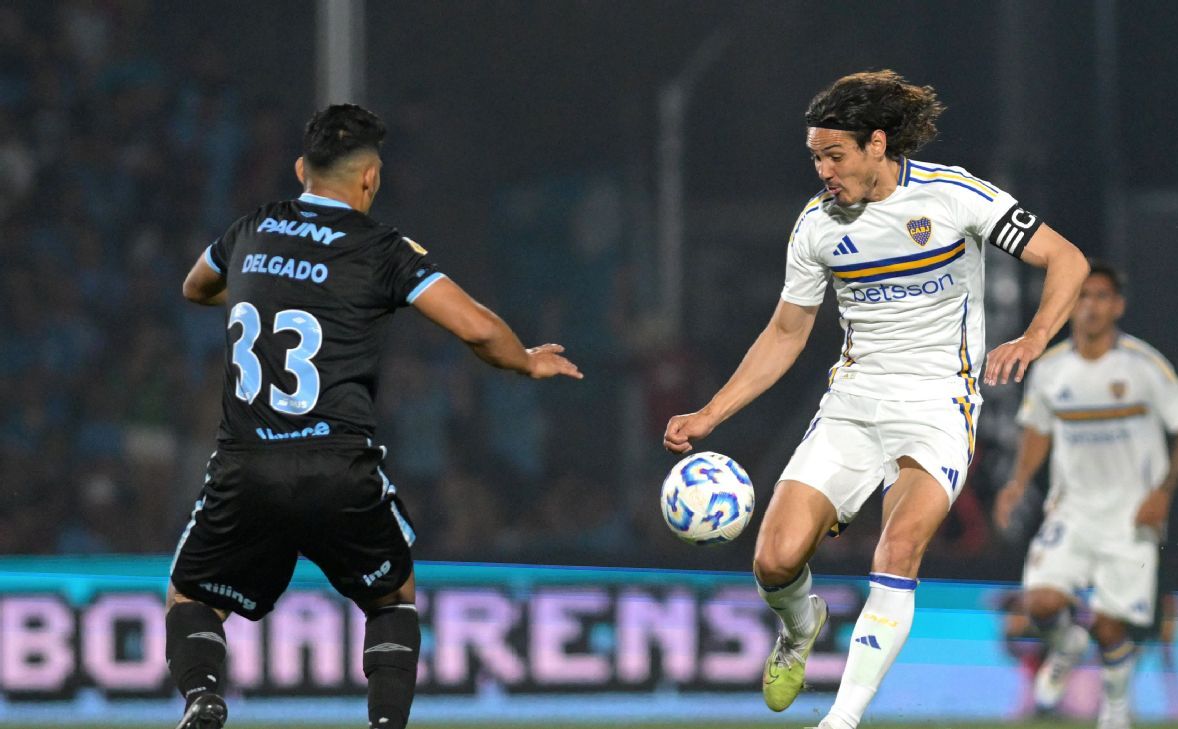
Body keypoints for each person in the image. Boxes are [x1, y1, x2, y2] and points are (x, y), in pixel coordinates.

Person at [661, 70, 1089, 729]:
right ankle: (800, 628)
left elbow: (1068, 259)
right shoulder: (816, 227)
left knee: (898, 547)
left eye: (834, 155)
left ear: (877, 144)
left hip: (938, 407)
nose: (823, 171)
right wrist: (710, 413)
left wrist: (1033, 338)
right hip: (853, 406)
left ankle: (841, 719)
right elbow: (786, 334)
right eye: (815, 158)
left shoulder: (953, 196)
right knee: (774, 560)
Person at [168, 104, 582, 729]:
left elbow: (194, 287)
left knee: (192, 596)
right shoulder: (381, 249)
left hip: (246, 466)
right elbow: (474, 326)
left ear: (301, 169)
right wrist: (523, 361)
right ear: (371, 178)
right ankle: (386, 724)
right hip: (337, 466)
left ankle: (202, 694)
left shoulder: (249, 230)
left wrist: (270, 283)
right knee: (392, 597)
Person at [994, 261, 1178, 729]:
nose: (1090, 307)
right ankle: (1067, 644)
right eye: (1082, 297)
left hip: (1131, 516)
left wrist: (1164, 492)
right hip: (1072, 510)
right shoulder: (1051, 369)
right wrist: (1018, 483)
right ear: (1071, 306)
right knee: (1040, 603)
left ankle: (1115, 709)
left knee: (1111, 628)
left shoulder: (1142, 365)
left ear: (1118, 306)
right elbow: (1037, 430)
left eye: (1101, 297)